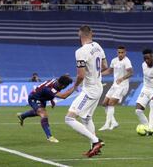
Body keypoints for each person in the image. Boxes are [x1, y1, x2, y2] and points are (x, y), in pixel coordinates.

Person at [65, 25, 107, 157]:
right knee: (87, 118)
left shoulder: (80, 51)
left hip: (89, 90)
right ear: (92, 33)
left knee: (69, 118)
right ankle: (95, 148)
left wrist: (74, 86)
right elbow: (105, 66)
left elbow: (81, 75)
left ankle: (96, 141)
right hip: (98, 87)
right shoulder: (98, 46)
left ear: (79, 34)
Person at [17, 74, 76, 143]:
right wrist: (75, 86)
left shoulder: (57, 82)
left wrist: (51, 99)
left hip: (42, 98)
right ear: (63, 85)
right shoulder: (49, 88)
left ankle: (22, 116)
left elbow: (53, 91)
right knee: (43, 114)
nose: (66, 87)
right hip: (34, 98)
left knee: (38, 112)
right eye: (66, 86)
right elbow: (63, 96)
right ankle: (49, 136)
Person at [99, 46, 133, 131]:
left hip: (123, 86)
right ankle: (114, 122)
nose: (120, 54)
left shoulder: (127, 61)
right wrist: (99, 74)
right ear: (117, 52)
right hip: (115, 85)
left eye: (122, 52)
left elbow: (131, 72)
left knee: (111, 103)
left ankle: (107, 124)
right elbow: (110, 71)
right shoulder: (114, 60)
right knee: (104, 103)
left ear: (125, 53)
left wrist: (122, 78)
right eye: (119, 52)